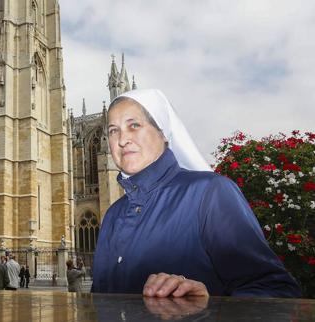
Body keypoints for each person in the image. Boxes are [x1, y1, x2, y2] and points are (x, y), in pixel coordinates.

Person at [92, 89, 301, 298]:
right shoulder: (112, 215)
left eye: (134, 125)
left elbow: (277, 291)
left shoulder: (209, 193)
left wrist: (211, 307)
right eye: (113, 130)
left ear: (163, 132)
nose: (122, 140)